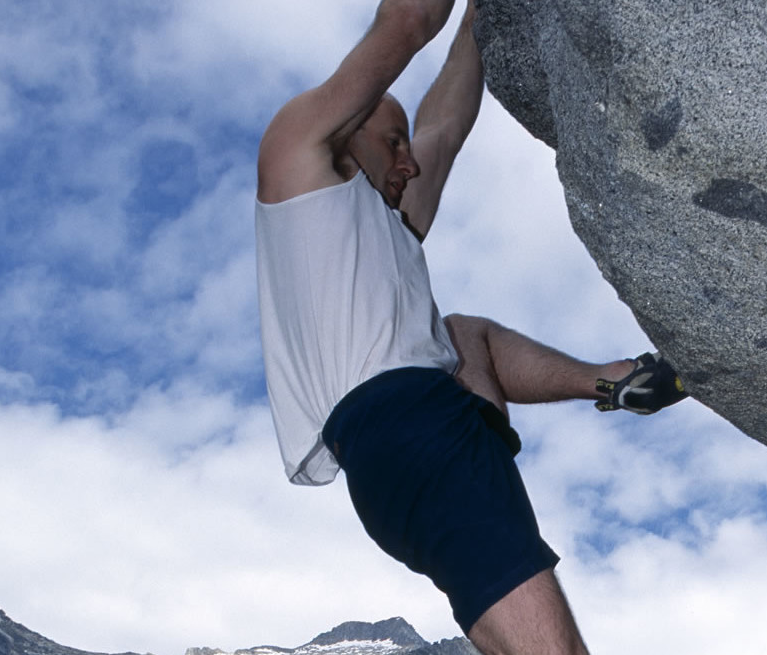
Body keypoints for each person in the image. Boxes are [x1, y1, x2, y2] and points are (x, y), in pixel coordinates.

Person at [253, 1, 687, 653]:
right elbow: (405, 22)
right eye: (393, 141)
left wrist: (476, 18)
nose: (409, 161)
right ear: (347, 125)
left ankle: (621, 382)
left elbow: (446, 126)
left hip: (399, 458)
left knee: (463, 335)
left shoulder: (386, 233)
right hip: (413, 428)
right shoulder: (296, 156)